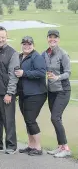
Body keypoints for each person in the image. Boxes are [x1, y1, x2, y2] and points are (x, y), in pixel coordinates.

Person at [0, 26, 19, 154]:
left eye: (2, 37)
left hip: (6, 93)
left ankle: (11, 146)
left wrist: (10, 93)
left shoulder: (12, 53)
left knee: (8, 120)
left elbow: (13, 75)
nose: (0, 39)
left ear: (6, 37)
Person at [15, 36, 47, 156]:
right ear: (21, 45)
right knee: (27, 120)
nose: (26, 46)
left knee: (30, 120)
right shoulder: (20, 56)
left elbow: (41, 72)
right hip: (24, 94)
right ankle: (31, 145)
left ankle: (38, 148)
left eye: (29, 44)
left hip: (36, 94)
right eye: (24, 44)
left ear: (33, 45)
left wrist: (24, 73)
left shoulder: (36, 57)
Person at [42, 29, 71, 158]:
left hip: (63, 90)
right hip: (52, 91)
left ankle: (66, 148)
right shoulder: (45, 54)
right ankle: (60, 146)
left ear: (58, 39)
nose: (52, 39)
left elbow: (68, 72)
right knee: (56, 119)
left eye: (55, 37)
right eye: (50, 37)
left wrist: (57, 77)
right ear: (47, 38)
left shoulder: (63, 54)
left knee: (55, 118)